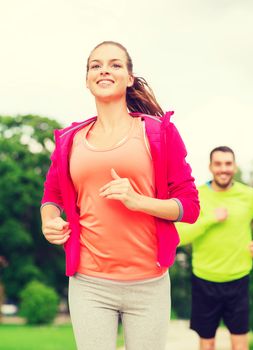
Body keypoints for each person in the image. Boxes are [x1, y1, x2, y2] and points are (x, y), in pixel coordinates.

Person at [40, 41, 200, 350]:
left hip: (148, 282)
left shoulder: (158, 132)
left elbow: (190, 206)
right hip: (89, 282)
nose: (104, 70)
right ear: (87, 79)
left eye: (115, 64)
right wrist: (50, 220)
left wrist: (139, 201)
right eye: (95, 65)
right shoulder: (69, 140)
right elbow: (52, 194)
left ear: (129, 78)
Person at [176, 146, 253, 350]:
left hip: (238, 280)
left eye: (228, 163)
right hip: (204, 280)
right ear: (210, 167)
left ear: (235, 166)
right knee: (207, 343)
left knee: (240, 344)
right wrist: (210, 219)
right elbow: (179, 236)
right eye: (218, 164)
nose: (223, 169)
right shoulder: (197, 195)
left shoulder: (249, 196)